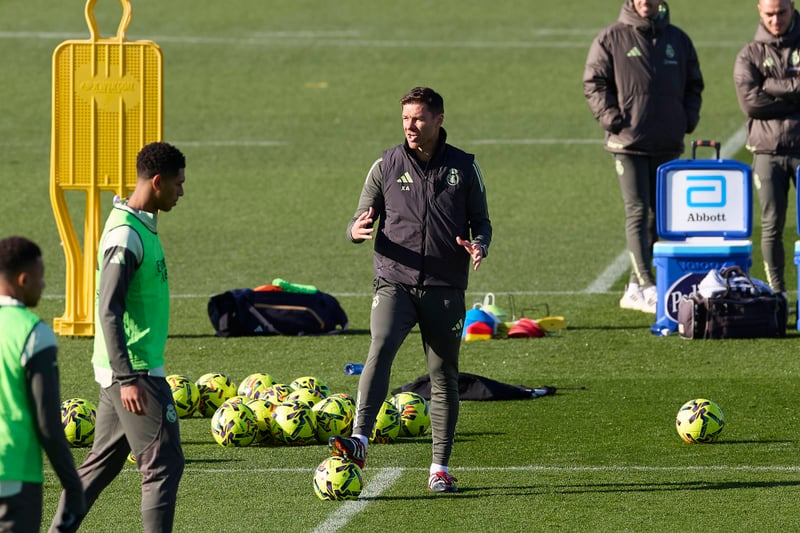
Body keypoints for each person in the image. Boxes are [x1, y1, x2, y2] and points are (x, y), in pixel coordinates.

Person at [329, 86, 492, 493]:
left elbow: (482, 222)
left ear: (438, 119)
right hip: (394, 280)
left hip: (445, 287)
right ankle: (360, 438)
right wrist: (355, 230)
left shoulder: (464, 167)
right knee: (381, 346)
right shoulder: (386, 165)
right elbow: (357, 218)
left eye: (418, 118)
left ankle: (439, 468)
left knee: (443, 374)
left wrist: (479, 244)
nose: (410, 126)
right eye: (405, 118)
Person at [50, 142, 186, 533]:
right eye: (178, 183)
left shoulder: (140, 225)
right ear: (157, 182)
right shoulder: (125, 236)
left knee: (99, 467)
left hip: (125, 368)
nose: (181, 192)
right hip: (135, 372)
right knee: (163, 464)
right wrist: (127, 377)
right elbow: (108, 309)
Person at [583, 0, 704, 313]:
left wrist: (686, 119)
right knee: (638, 211)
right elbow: (594, 82)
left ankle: (635, 287)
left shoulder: (678, 39)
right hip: (628, 143)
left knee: (660, 215)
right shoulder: (611, 38)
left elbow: (694, 84)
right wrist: (611, 119)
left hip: (667, 142)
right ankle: (648, 285)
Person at [0, 236, 85, 533]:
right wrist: (73, 485)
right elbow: (48, 423)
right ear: (23, 280)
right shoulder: (33, 333)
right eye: (41, 277)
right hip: (13, 473)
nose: (44, 284)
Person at [734, 0, 800, 298]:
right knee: (771, 224)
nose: (776, 20)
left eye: (781, 13)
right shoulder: (749, 54)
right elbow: (751, 104)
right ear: (759, 10)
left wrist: (770, 85)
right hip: (767, 152)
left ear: (792, 7)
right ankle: (777, 292)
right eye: (770, 14)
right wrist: (793, 98)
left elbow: (762, 96)